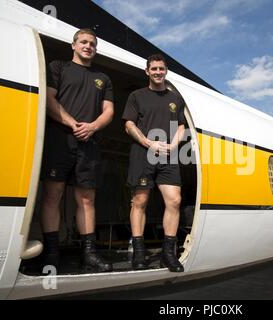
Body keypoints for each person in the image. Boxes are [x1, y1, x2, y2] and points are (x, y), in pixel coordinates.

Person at [40, 28, 114, 273]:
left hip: (89, 144)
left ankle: (89, 255)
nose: (88, 46)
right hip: (59, 139)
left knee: (86, 200)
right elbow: (49, 100)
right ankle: (52, 254)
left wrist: (92, 127)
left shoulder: (103, 77)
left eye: (92, 43)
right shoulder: (57, 67)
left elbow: (109, 112)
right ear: (73, 45)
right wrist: (73, 124)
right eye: (83, 42)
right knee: (53, 196)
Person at [123, 54, 186, 272]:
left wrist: (173, 145)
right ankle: (139, 254)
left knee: (175, 201)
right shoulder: (136, 96)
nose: (158, 72)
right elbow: (129, 124)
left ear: (165, 71)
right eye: (154, 69)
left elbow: (181, 127)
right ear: (147, 71)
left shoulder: (175, 99)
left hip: (168, 155)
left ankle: (168, 254)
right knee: (140, 201)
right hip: (143, 153)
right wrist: (148, 142)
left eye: (161, 68)